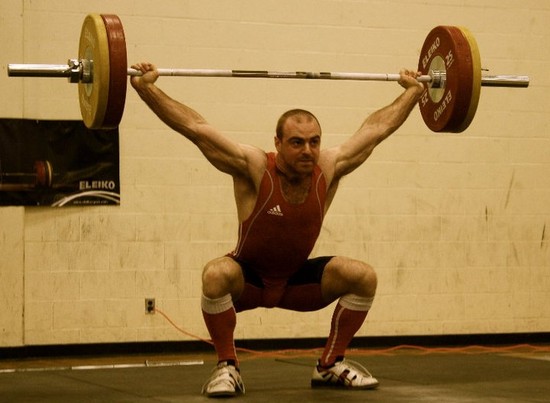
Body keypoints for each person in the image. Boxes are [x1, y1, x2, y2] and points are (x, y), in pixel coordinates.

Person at [130, 62, 424, 397]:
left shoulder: (329, 167)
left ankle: (329, 364)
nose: (308, 151)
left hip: (296, 281)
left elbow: (376, 130)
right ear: (278, 142)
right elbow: (195, 128)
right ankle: (227, 367)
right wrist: (147, 89)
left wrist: (414, 93)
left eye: (314, 142)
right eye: (297, 142)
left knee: (363, 277)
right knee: (215, 275)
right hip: (248, 281)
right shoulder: (254, 167)